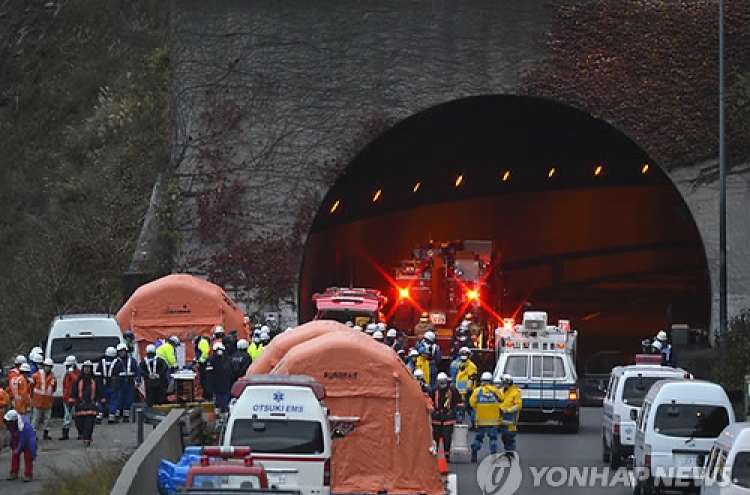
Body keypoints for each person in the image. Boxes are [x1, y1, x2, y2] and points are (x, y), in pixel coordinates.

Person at [469, 372, 502, 462]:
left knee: (478, 437)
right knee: (493, 438)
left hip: (481, 419)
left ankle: (474, 452)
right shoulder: (495, 390)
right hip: (493, 420)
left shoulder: (477, 390)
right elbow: (502, 398)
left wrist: (479, 407)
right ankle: (493, 455)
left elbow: (472, 402)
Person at [70, 361, 105, 447]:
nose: (87, 369)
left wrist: (101, 400)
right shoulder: (78, 381)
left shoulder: (95, 381)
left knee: (89, 424)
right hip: (80, 406)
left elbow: (100, 391)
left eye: (88, 368)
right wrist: (72, 401)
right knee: (79, 423)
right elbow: (74, 392)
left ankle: (87, 439)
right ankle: (83, 434)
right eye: (85, 367)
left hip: (91, 405)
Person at [430, 372, 462, 462]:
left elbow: (459, 402)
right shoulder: (434, 390)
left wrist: (455, 411)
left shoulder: (452, 390)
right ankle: (435, 454)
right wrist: (433, 411)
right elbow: (429, 402)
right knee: (436, 437)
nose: (441, 384)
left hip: (449, 418)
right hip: (436, 418)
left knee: (447, 437)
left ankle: (447, 454)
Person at [3, 409, 36, 481]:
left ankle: (28, 474)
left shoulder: (24, 427)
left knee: (28, 457)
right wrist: (11, 443)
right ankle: (14, 472)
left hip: (28, 439)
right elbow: (12, 434)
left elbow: (23, 440)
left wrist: (18, 450)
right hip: (17, 437)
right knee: (15, 455)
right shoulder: (10, 424)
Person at [30, 358, 57, 440]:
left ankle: (46, 433)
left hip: (48, 402)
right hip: (38, 401)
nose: (48, 368)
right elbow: (31, 387)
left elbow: (54, 388)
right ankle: (33, 434)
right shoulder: (36, 375)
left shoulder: (53, 377)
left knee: (47, 419)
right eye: (46, 366)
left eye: (49, 366)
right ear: (43, 366)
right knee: (36, 419)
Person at [450, 347, 478, 425]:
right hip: (459, 390)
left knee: (468, 408)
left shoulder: (471, 366)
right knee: (461, 407)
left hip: (467, 391)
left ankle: (473, 422)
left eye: (465, 354)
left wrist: (468, 388)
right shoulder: (461, 364)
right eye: (462, 354)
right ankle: (460, 421)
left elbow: (471, 378)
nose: (463, 356)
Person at [95, 346, 122, 424]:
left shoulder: (101, 362)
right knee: (113, 401)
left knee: (101, 400)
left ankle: (99, 416)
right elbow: (121, 375)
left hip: (103, 385)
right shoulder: (118, 362)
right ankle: (111, 417)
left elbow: (98, 375)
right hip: (114, 386)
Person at [115, 343, 141, 423]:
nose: (121, 353)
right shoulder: (116, 361)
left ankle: (126, 415)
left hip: (129, 383)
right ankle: (117, 414)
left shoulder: (132, 360)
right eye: (120, 352)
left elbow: (137, 370)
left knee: (128, 399)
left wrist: (138, 380)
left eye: (122, 351)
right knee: (119, 399)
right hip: (119, 383)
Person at [498, 374, 522, 452]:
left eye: (505, 383)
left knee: (510, 436)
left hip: (511, 418)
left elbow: (518, 405)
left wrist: (508, 410)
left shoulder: (516, 392)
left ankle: (510, 453)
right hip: (501, 418)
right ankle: (508, 451)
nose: (503, 384)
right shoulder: (500, 391)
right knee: (504, 437)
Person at [205, 342, 232, 412]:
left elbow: (228, 371)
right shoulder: (211, 360)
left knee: (225, 403)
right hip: (215, 387)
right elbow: (209, 375)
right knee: (215, 405)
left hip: (224, 385)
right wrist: (210, 387)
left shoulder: (225, 360)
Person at [59, 356, 79, 440]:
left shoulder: (77, 373)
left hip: (76, 399)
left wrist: (71, 374)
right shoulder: (67, 375)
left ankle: (81, 433)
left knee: (78, 417)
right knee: (67, 417)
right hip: (67, 399)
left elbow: (77, 381)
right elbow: (64, 386)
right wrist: (64, 396)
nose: (66, 367)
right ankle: (65, 434)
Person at [192, 333, 212, 400]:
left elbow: (205, 353)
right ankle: (205, 395)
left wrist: (200, 362)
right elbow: (199, 353)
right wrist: (195, 360)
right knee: (202, 380)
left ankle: (207, 396)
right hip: (202, 364)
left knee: (205, 380)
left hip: (205, 364)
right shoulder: (198, 342)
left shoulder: (202, 342)